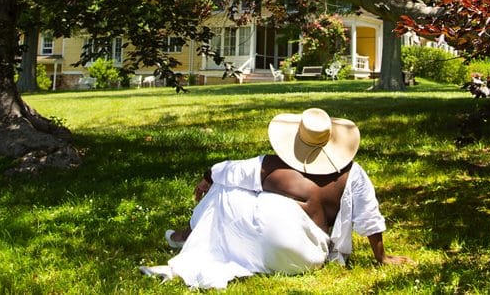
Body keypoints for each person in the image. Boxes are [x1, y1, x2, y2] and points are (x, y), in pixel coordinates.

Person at [139, 107, 412, 288]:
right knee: (233, 185)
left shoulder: (272, 166)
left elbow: (227, 170)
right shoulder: (353, 174)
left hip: (269, 248)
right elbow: (369, 217)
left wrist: (208, 177)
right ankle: (190, 235)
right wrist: (382, 257)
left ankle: (187, 234)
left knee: (225, 189)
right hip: (307, 258)